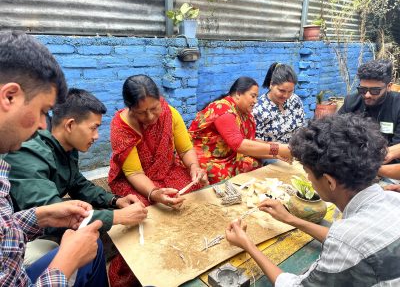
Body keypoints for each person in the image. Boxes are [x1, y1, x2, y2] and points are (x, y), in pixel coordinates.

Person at [225, 113, 400, 286]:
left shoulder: (345, 242)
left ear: (329, 181)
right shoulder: (393, 199)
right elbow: (348, 241)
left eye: (308, 173)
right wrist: (290, 219)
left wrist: (247, 244)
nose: (308, 179)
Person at [0, 31, 108, 286]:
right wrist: (66, 262)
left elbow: (4, 229)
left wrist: (40, 216)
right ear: (9, 96)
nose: (41, 126)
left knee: (93, 250)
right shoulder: (25, 151)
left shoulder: (65, 151)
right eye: (42, 112)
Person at [5, 88, 148, 238]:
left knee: (92, 211)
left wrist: (116, 201)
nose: (97, 136)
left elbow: (77, 184)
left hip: (47, 207)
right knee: (93, 232)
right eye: (93, 128)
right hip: (15, 234)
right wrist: (119, 216)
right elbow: (50, 214)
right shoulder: (27, 153)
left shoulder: (67, 148)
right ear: (70, 125)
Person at [108, 74, 207, 287]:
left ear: (160, 99)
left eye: (154, 108)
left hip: (165, 170)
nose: (152, 117)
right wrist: (154, 193)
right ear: (130, 108)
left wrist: (194, 167)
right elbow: (134, 173)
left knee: (194, 188)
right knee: (141, 211)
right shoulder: (120, 127)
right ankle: (137, 271)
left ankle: (184, 249)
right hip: (134, 181)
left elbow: (186, 149)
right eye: (143, 112)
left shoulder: (170, 113)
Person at [189, 76, 292, 184]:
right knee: (221, 175)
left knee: (253, 163)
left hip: (229, 156)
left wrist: (276, 153)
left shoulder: (244, 113)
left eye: (256, 97)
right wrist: (278, 149)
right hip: (206, 157)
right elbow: (239, 144)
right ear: (238, 94)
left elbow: (249, 142)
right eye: (253, 96)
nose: (255, 101)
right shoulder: (222, 109)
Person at [338, 59, 400, 146]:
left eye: (375, 90)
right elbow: (335, 132)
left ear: (389, 86)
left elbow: (396, 148)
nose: (367, 95)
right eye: (362, 89)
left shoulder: (397, 106)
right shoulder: (351, 101)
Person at [253, 62, 305, 143]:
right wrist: (279, 151)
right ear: (271, 84)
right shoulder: (259, 109)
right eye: (282, 91)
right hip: (269, 154)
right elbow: (255, 142)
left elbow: (301, 129)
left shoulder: (295, 100)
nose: (286, 95)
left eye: (290, 91)